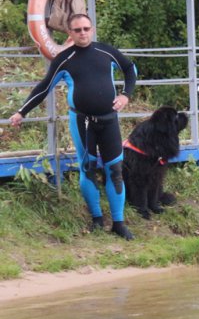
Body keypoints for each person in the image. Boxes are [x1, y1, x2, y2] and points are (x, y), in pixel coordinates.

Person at [9, 14, 137, 240]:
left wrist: (126, 95)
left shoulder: (106, 52)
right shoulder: (64, 59)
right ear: (70, 32)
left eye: (86, 28)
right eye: (77, 30)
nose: (83, 33)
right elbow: (43, 87)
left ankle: (118, 222)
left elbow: (130, 69)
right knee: (87, 168)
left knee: (115, 171)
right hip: (82, 122)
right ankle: (97, 218)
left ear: (93, 29)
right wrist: (22, 112)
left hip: (109, 121)